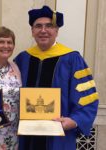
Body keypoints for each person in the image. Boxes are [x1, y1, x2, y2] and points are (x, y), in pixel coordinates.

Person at [14, 5, 99, 150]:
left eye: (49, 26)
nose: (43, 30)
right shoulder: (23, 59)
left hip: (58, 137)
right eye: (38, 26)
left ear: (56, 30)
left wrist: (74, 121)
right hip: (26, 136)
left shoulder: (72, 59)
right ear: (32, 31)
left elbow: (87, 99)